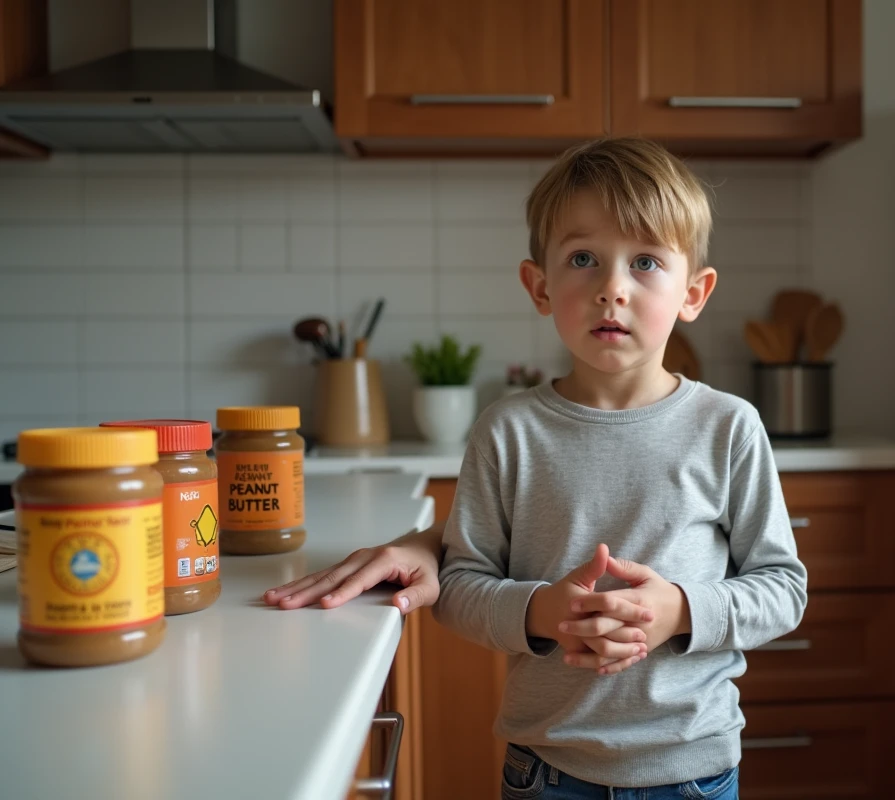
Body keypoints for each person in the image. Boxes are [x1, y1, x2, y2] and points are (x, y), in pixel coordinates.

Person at [266, 137, 808, 799]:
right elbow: (461, 584)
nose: (612, 288)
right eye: (583, 259)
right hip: (547, 772)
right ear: (539, 286)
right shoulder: (507, 430)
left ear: (694, 292)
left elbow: (782, 588)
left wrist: (681, 611)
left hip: (693, 768)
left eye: (645, 262)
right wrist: (540, 613)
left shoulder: (728, 428)